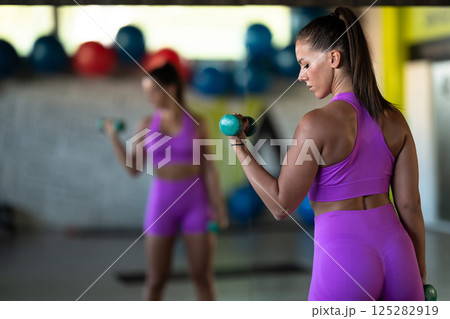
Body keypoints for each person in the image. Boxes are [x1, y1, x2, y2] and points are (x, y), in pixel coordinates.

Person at [227, 7, 426, 301]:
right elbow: (409, 206)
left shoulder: (315, 123)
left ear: (334, 58)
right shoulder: (395, 119)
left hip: (344, 256)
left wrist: (237, 144)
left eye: (306, 64)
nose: (300, 75)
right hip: (399, 253)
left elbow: (281, 205)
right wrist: (419, 272)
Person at [104, 63, 228, 301]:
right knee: (156, 279)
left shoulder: (199, 122)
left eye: (153, 91)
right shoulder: (146, 124)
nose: (149, 98)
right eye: (146, 92)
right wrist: (113, 136)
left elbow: (209, 169)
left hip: (196, 203)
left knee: (202, 277)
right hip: (162, 203)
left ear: (170, 88)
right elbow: (133, 169)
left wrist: (219, 208)